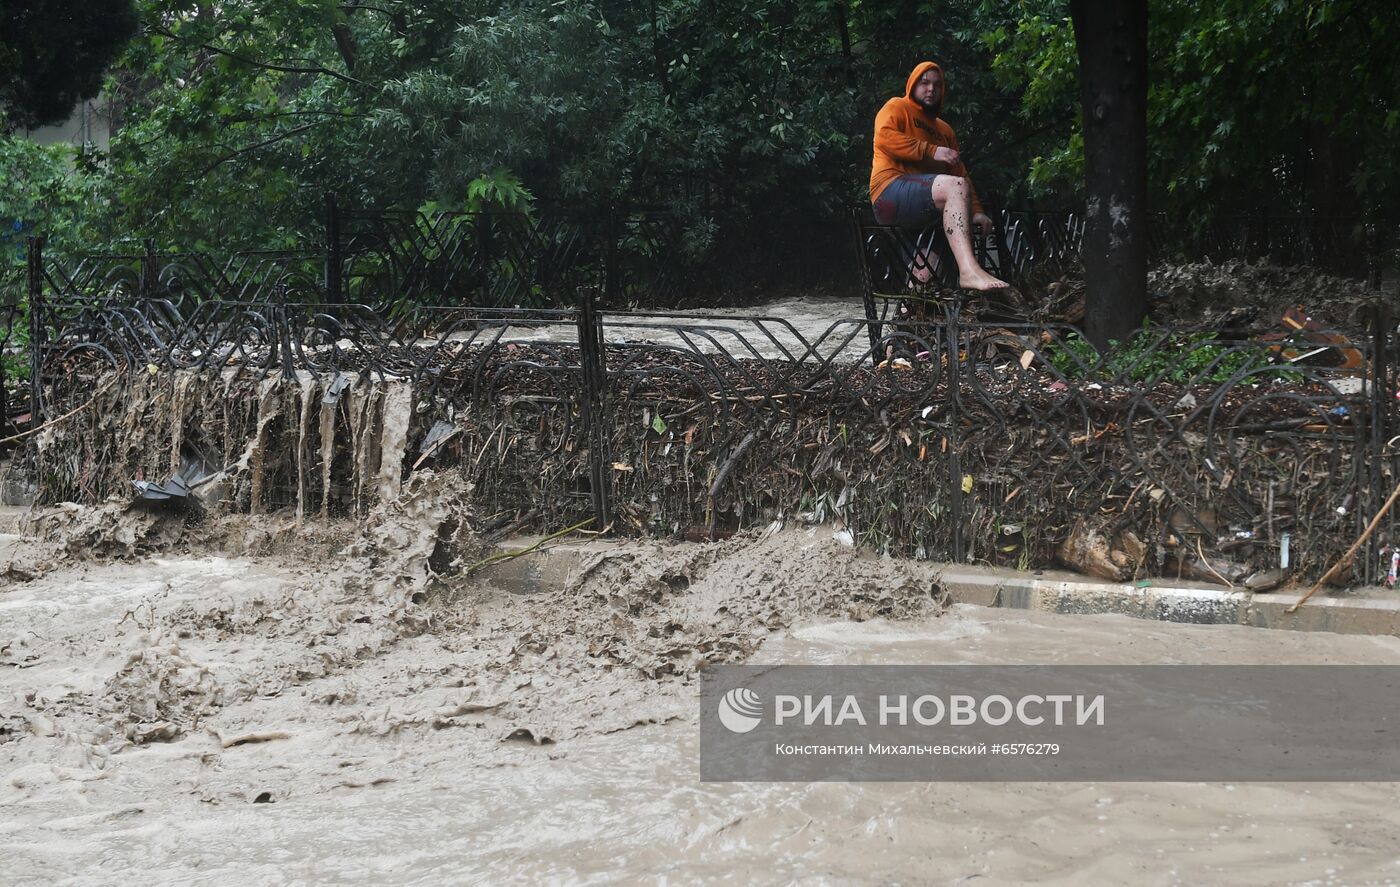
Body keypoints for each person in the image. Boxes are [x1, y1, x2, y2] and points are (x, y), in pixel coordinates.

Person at [870, 61, 1008, 291]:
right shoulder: (897, 107)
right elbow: (885, 137)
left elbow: (960, 173)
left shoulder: (945, 130)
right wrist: (931, 150)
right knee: (954, 186)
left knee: (925, 273)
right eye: (924, 83)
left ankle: (907, 319)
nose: (931, 89)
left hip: (925, 207)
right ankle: (969, 271)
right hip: (889, 193)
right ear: (912, 85)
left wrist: (977, 211)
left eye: (937, 84)